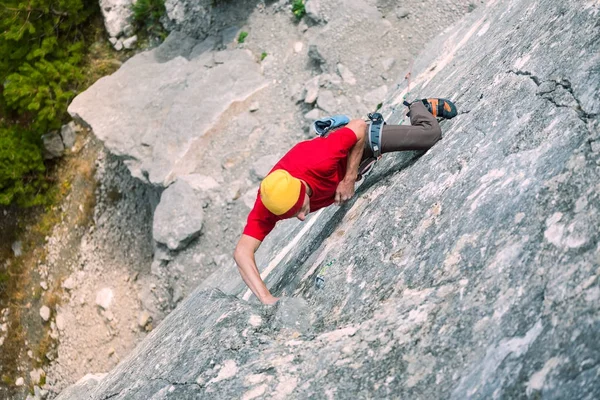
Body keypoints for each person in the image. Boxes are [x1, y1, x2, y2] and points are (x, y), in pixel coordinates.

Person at [233, 98, 458, 304]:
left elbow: (359, 126)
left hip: (356, 147)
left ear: (301, 187)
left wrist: (349, 178)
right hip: (341, 165)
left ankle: (418, 106)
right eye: (292, 215)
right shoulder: (271, 201)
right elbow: (242, 252)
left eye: (300, 208)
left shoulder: (319, 159)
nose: (302, 217)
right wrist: (266, 298)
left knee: (428, 135)